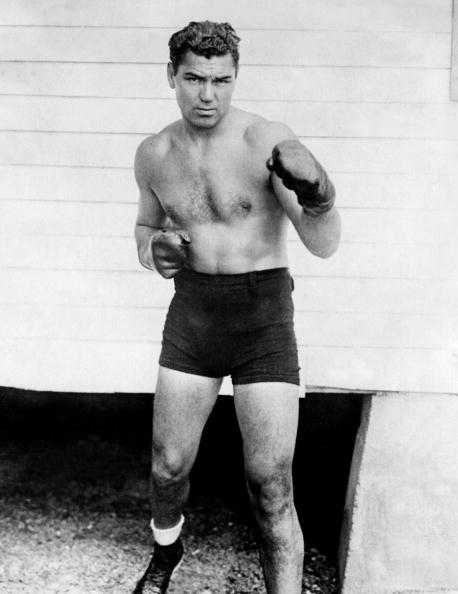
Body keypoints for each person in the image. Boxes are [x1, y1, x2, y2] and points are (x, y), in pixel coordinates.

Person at [133, 20, 340, 594]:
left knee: (270, 483)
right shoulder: (153, 154)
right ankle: (166, 552)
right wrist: (156, 251)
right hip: (194, 315)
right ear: (170, 75)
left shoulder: (266, 141)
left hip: (263, 318)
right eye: (195, 79)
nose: (208, 95)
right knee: (168, 466)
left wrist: (318, 190)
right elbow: (146, 227)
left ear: (236, 78)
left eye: (221, 81)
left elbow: (323, 243)